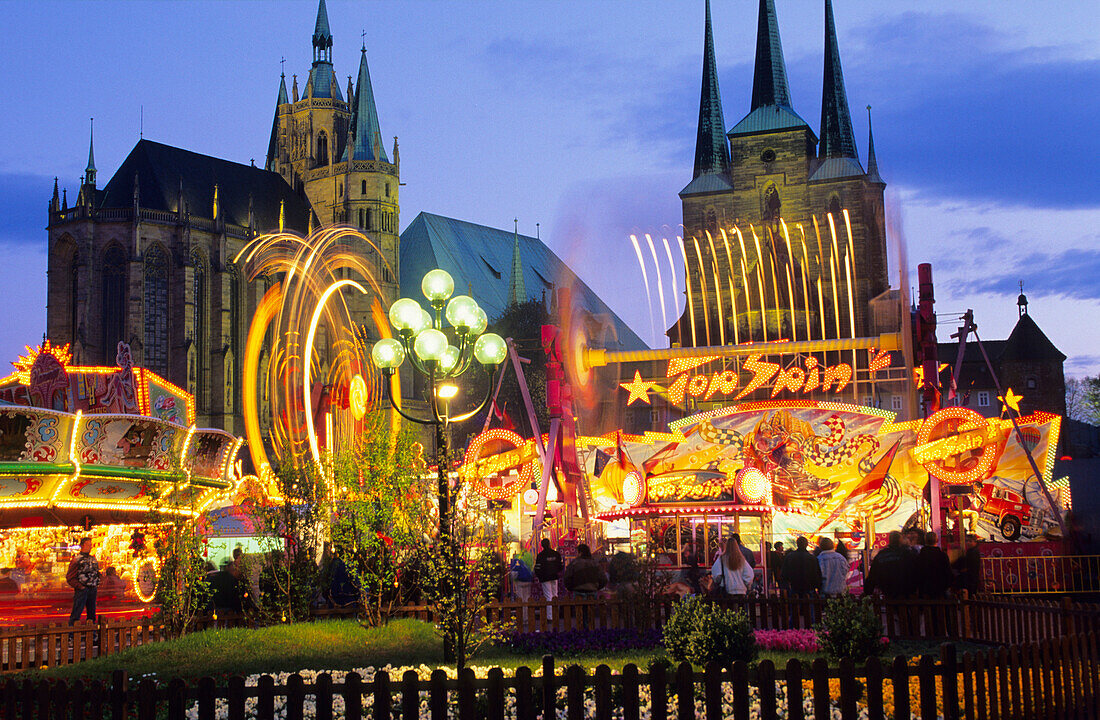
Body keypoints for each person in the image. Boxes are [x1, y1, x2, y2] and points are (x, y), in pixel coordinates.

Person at [864, 531, 918, 599]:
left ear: (890, 541)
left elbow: (873, 575)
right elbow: (915, 571)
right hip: (905, 593)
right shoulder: (908, 554)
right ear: (900, 541)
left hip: (888, 593)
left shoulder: (882, 555)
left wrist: (867, 591)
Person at [66, 537, 100, 626]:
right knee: (77, 612)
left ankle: (91, 632)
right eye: (88, 545)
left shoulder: (92, 559)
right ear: (82, 545)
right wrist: (80, 586)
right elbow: (70, 577)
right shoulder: (77, 560)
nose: (90, 547)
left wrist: (97, 582)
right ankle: (72, 633)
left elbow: (97, 572)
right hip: (82, 589)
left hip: (92, 588)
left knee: (92, 613)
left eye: (90, 545)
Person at [915, 532, 953, 598]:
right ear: (937, 540)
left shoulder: (920, 556)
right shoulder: (942, 555)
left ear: (925, 540)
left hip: (924, 588)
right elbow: (948, 571)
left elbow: (917, 572)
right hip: (940, 588)